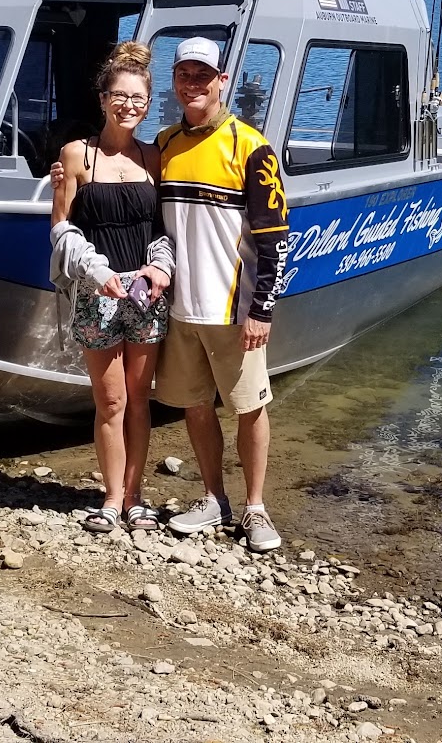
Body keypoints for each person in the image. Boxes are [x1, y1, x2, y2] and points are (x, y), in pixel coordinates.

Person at [152, 36, 289, 553]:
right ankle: (214, 499)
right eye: (184, 74)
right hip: (181, 310)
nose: (193, 84)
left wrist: (262, 310)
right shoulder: (164, 145)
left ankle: (255, 508)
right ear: (176, 81)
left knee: (250, 408)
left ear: (222, 81)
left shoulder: (251, 147)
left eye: (203, 75)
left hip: (234, 311)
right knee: (195, 406)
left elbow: (274, 235)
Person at [49, 41, 175, 534]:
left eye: (138, 98)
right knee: (112, 402)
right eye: (119, 96)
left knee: (141, 401)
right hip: (96, 296)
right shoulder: (76, 155)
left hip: (146, 295)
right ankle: (111, 497)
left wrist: (159, 269)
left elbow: (163, 226)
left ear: (148, 103)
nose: (128, 105)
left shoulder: (155, 156)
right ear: (102, 99)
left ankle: (137, 496)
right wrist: (98, 274)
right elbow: (61, 227)